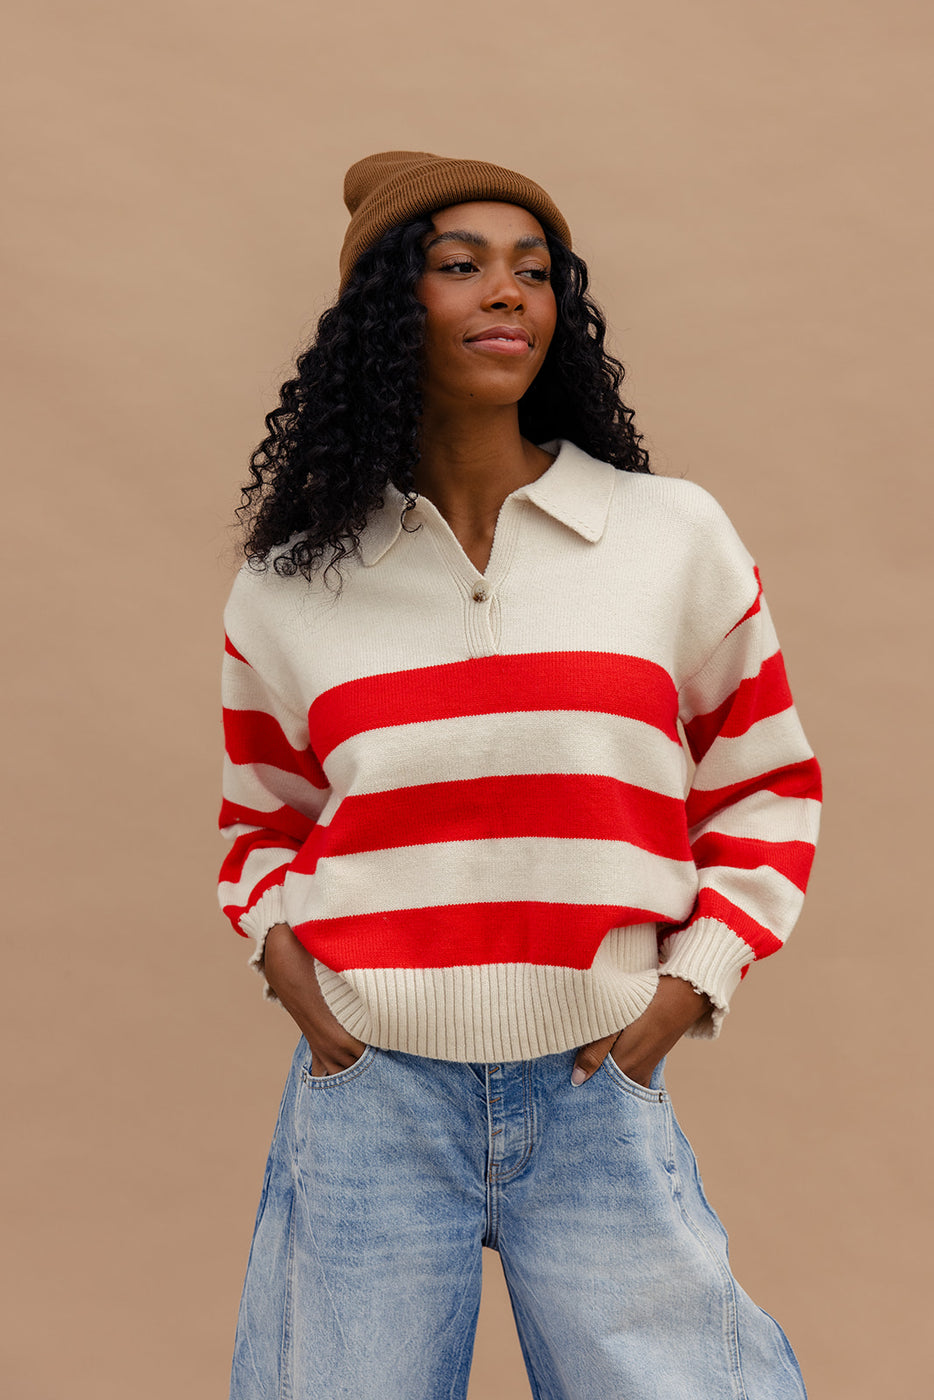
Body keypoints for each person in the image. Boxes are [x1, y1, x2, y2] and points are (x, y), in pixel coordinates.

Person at [218, 150, 821, 1400]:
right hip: (369, 1085)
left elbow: (768, 783)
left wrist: (682, 988)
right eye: (463, 266)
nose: (509, 294)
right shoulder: (293, 583)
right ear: (390, 308)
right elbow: (258, 818)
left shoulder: (671, 536)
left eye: (534, 271)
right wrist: (292, 970)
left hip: (600, 1071)